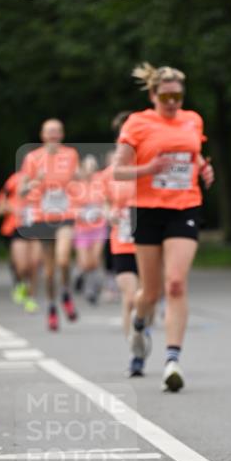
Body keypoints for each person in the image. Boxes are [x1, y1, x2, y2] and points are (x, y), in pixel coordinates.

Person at [112, 64, 215, 389]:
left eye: (178, 95)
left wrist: (203, 168)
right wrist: (149, 168)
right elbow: (118, 171)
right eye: (166, 95)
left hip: (184, 206)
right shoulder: (138, 123)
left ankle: (172, 360)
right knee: (150, 292)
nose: (172, 101)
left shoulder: (192, 119)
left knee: (175, 284)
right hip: (148, 210)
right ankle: (140, 324)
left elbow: (192, 154)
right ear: (154, 94)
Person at [18, 119, 79, 331]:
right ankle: (52, 307)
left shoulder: (71, 155)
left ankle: (66, 293)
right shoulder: (32, 158)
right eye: (49, 131)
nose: (53, 135)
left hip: (65, 214)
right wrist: (35, 181)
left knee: (63, 260)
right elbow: (21, 191)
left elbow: (77, 181)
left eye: (57, 131)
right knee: (49, 271)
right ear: (43, 135)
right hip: (43, 217)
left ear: (61, 135)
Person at [102, 113, 139, 346]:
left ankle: (142, 329)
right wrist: (110, 214)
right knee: (130, 297)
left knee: (147, 298)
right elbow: (105, 204)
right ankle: (134, 350)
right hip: (122, 241)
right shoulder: (109, 175)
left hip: (150, 240)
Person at [0, 170, 41, 312]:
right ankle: (20, 284)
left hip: (36, 228)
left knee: (34, 264)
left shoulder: (44, 181)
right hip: (17, 228)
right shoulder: (14, 180)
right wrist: (13, 208)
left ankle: (31, 299)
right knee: (21, 266)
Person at [71, 155, 109, 304]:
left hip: (98, 227)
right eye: (87, 168)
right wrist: (80, 213)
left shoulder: (100, 183)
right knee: (86, 263)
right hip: (82, 228)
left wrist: (103, 211)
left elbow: (107, 201)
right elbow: (70, 206)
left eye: (93, 168)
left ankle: (91, 290)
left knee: (94, 260)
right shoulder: (75, 186)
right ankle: (78, 273)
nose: (90, 171)